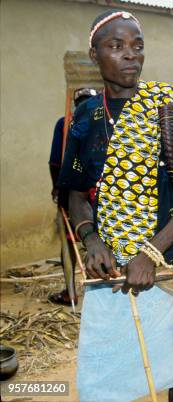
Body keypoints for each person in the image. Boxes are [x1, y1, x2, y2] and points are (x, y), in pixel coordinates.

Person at [56, 9, 173, 402]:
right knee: (106, 372)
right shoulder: (87, 116)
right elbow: (75, 191)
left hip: (169, 266)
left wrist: (150, 252)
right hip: (108, 272)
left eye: (137, 46)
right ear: (95, 56)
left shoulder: (170, 108)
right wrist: (90, 237)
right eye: (116, 46)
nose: (131, 55)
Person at [48, 87, 96, 306]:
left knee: (70, 243)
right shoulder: (105, 121)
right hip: (100, 191)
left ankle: (71, 293)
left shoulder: (66, 124)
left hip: (76, 192)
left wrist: (58, 188)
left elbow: (55, 162)